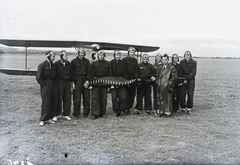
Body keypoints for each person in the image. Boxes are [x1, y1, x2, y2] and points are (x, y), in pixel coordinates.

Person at [36, 51, 58, 126]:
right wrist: (44, 84)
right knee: (46, 102)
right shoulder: (42, 65)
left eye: (54, 56)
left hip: (53, 84)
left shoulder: (54, 65)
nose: (54, 58)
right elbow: (38, 77)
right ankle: (43, 119)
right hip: (46, 85)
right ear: (48, 56)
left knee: (53, 101)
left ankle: (50, 118)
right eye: (53, 56)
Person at [71, 49, 91, 119]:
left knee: (87, 97)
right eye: (81, 53)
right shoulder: (73, 61)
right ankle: (76, 113)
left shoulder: (87, 61)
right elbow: (72, 73)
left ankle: (86, 112)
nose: (82, 54)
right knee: (77, 98)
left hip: (85, 79)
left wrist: (87, 81)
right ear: (78, 53)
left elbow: (89, 72)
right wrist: (73, 82)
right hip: (77, 80)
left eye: (83, 53)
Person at [90, 50, 110, 120]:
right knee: (95, 99)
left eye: (102, 55)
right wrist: (91, 83)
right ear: (97, 56)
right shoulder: (93, 64)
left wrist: (109, 84)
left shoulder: (108, 64)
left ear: (104, 56)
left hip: (104, 83)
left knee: (103, 99)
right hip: (96, 83)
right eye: (99, 55)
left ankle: (102, 113)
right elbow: (91, 74)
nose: (101, 56)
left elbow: (109, 75)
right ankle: (95, 114)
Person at [52, 50, 72, 121]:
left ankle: (66, 114)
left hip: (67, 82)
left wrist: (72, 83)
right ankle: (56, 114)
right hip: (59, 83)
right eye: (65, 56)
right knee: (58, 99)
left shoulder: (69, 64)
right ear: (61, 56)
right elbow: (54, 75)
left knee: (67, 98)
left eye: (67, 55)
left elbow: (72, 75)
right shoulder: (56, 64)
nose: (67, 57)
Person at [109, 50, 127, 117]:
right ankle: (116, 110)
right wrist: (111, 84)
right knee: (114, 97)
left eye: (119, 55)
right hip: (113, 81)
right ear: (114, 55)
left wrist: (125, 81)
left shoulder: (123, 63)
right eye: (116, 55)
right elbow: (110, 73)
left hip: (121, 81)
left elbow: (125, 73)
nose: (118, 56)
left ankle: (122, 110)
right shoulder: (110, 63)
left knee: (123, 96)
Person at [122, 47, 138, 115]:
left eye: (133, 52)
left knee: (132, 95)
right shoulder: (124, 60)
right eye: (131, 52)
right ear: (128, 52)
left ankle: (129, 108)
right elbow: (124, 70)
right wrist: (126, 79)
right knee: (126, 95)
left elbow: (136, 70)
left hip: (133, 79)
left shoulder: (135, 60)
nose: (132, 53)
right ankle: (124, 108)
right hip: (126, 79)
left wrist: (135, 78)